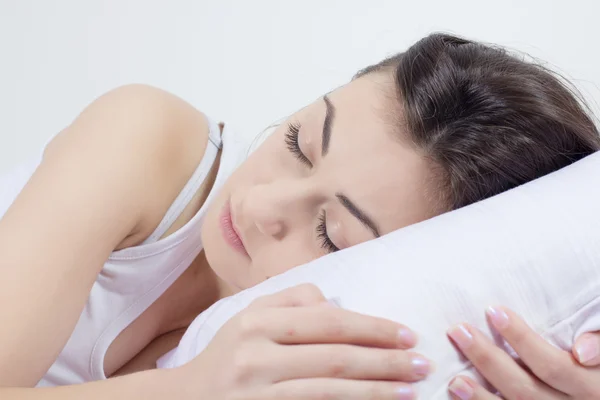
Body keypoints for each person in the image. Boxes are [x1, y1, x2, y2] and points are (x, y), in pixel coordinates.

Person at [0, 32, 599, 399]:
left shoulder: (346, 355)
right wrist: (183, 391)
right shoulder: (146, 138)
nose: (259, 205)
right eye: (298, 146)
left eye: (330, 235)